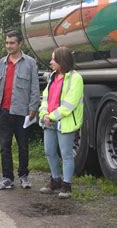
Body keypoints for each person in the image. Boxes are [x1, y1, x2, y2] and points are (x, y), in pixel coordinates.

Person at [0, 30, 40, 190]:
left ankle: (24, 176)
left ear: (20, 44)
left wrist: (33, 108)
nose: (9, 46)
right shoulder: (2, 63)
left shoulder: (30, 63)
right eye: (7, 43)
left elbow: (35, 87)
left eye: (12, 43)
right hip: (4, 112)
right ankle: (7, 178)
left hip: (22, 112)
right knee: (4, 146)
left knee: (23, 146)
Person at [39, 46, 83, 199]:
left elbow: (70, 104)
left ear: (62, 61)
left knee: (66, 154)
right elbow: (45, 97)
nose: (51, 62)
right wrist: (44, 113)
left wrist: (52, 116)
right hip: (49, 120)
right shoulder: (52, 76)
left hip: (64, 122)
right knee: (49, 151)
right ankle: (55, 179)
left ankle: (67, 185)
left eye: (53, 59)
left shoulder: (75, 78)